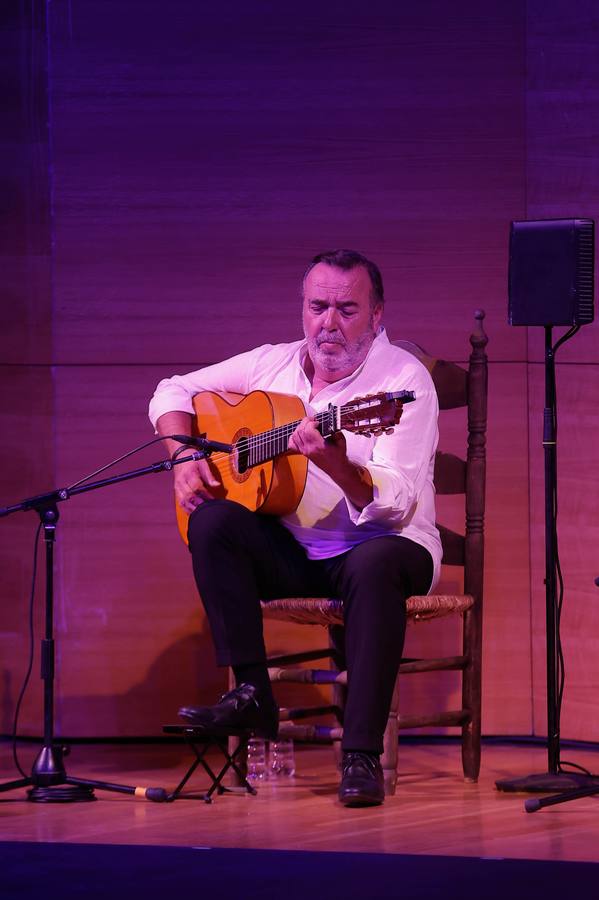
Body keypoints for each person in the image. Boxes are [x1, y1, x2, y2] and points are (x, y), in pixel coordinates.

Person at [149, 249, 441, 807]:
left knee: (376, 561)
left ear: (377, 314)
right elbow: (172, 389)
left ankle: (360, 755)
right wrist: (184, 456)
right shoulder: (272, 364)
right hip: (298, 552)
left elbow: (397, 504)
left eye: (347, 310)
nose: (329, 323)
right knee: (211, 521)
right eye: (317, 307)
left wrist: (337, 464)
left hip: (386, 546)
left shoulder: (403, 384)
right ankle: (252, 694)